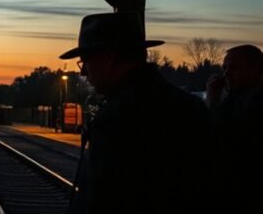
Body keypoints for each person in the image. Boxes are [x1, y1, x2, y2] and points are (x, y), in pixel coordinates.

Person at [63, 12, 213, 214]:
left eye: (85, 62)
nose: (83, 72)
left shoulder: (116, 117)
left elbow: (102, 199)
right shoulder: (190, 106)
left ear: (109, 58)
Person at [205, 44, 263, 213]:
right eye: (225, 68)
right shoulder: (230, 102)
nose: (226, 74)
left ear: (256, 69)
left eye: (233, 68)